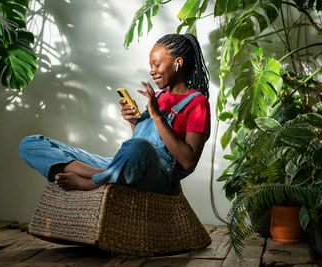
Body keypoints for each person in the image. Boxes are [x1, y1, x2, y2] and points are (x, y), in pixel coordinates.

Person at [18, 33, 211, 195]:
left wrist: (157, 116)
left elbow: (188, 161)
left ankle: (92, 182)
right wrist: (135, 122)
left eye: (157, 65)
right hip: (125, 166)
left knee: (138, 148)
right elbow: (143, 140)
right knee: (30, 144)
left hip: (157, 175)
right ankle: (106, 173)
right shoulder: (159, 97)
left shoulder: (197, 103)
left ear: (177, 63)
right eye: (150, 66)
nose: (152, 72)